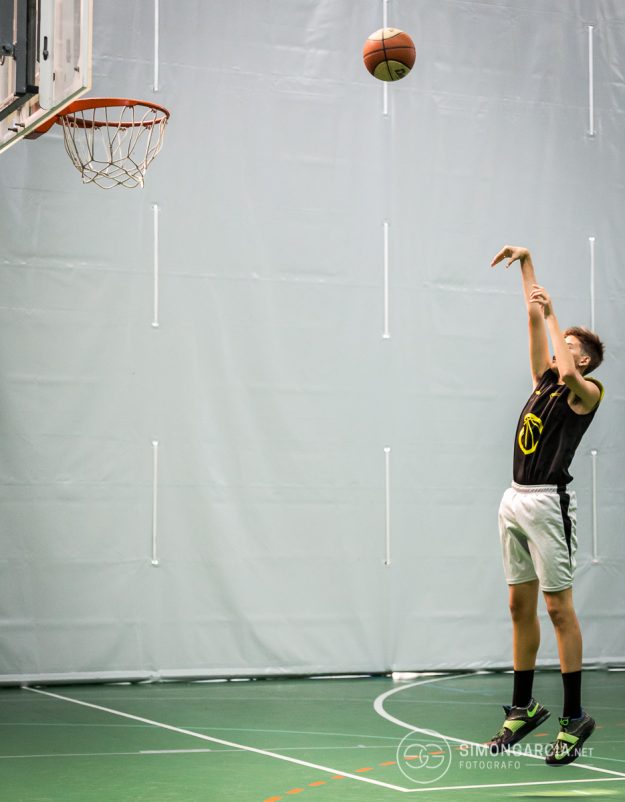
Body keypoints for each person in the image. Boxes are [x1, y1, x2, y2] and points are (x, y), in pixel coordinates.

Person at [487, 245, 605, 766]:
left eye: (570, 346)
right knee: (518, 605)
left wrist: (559, 316)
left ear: (580, 358)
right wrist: (528, 263)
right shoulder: (544, 382)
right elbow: (534, 319)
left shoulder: (587, 390)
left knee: (558, 608)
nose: (560, 348)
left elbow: (556, 337)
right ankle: (522, 706)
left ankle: (574, 716)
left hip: (548, 503)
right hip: (514, 500)